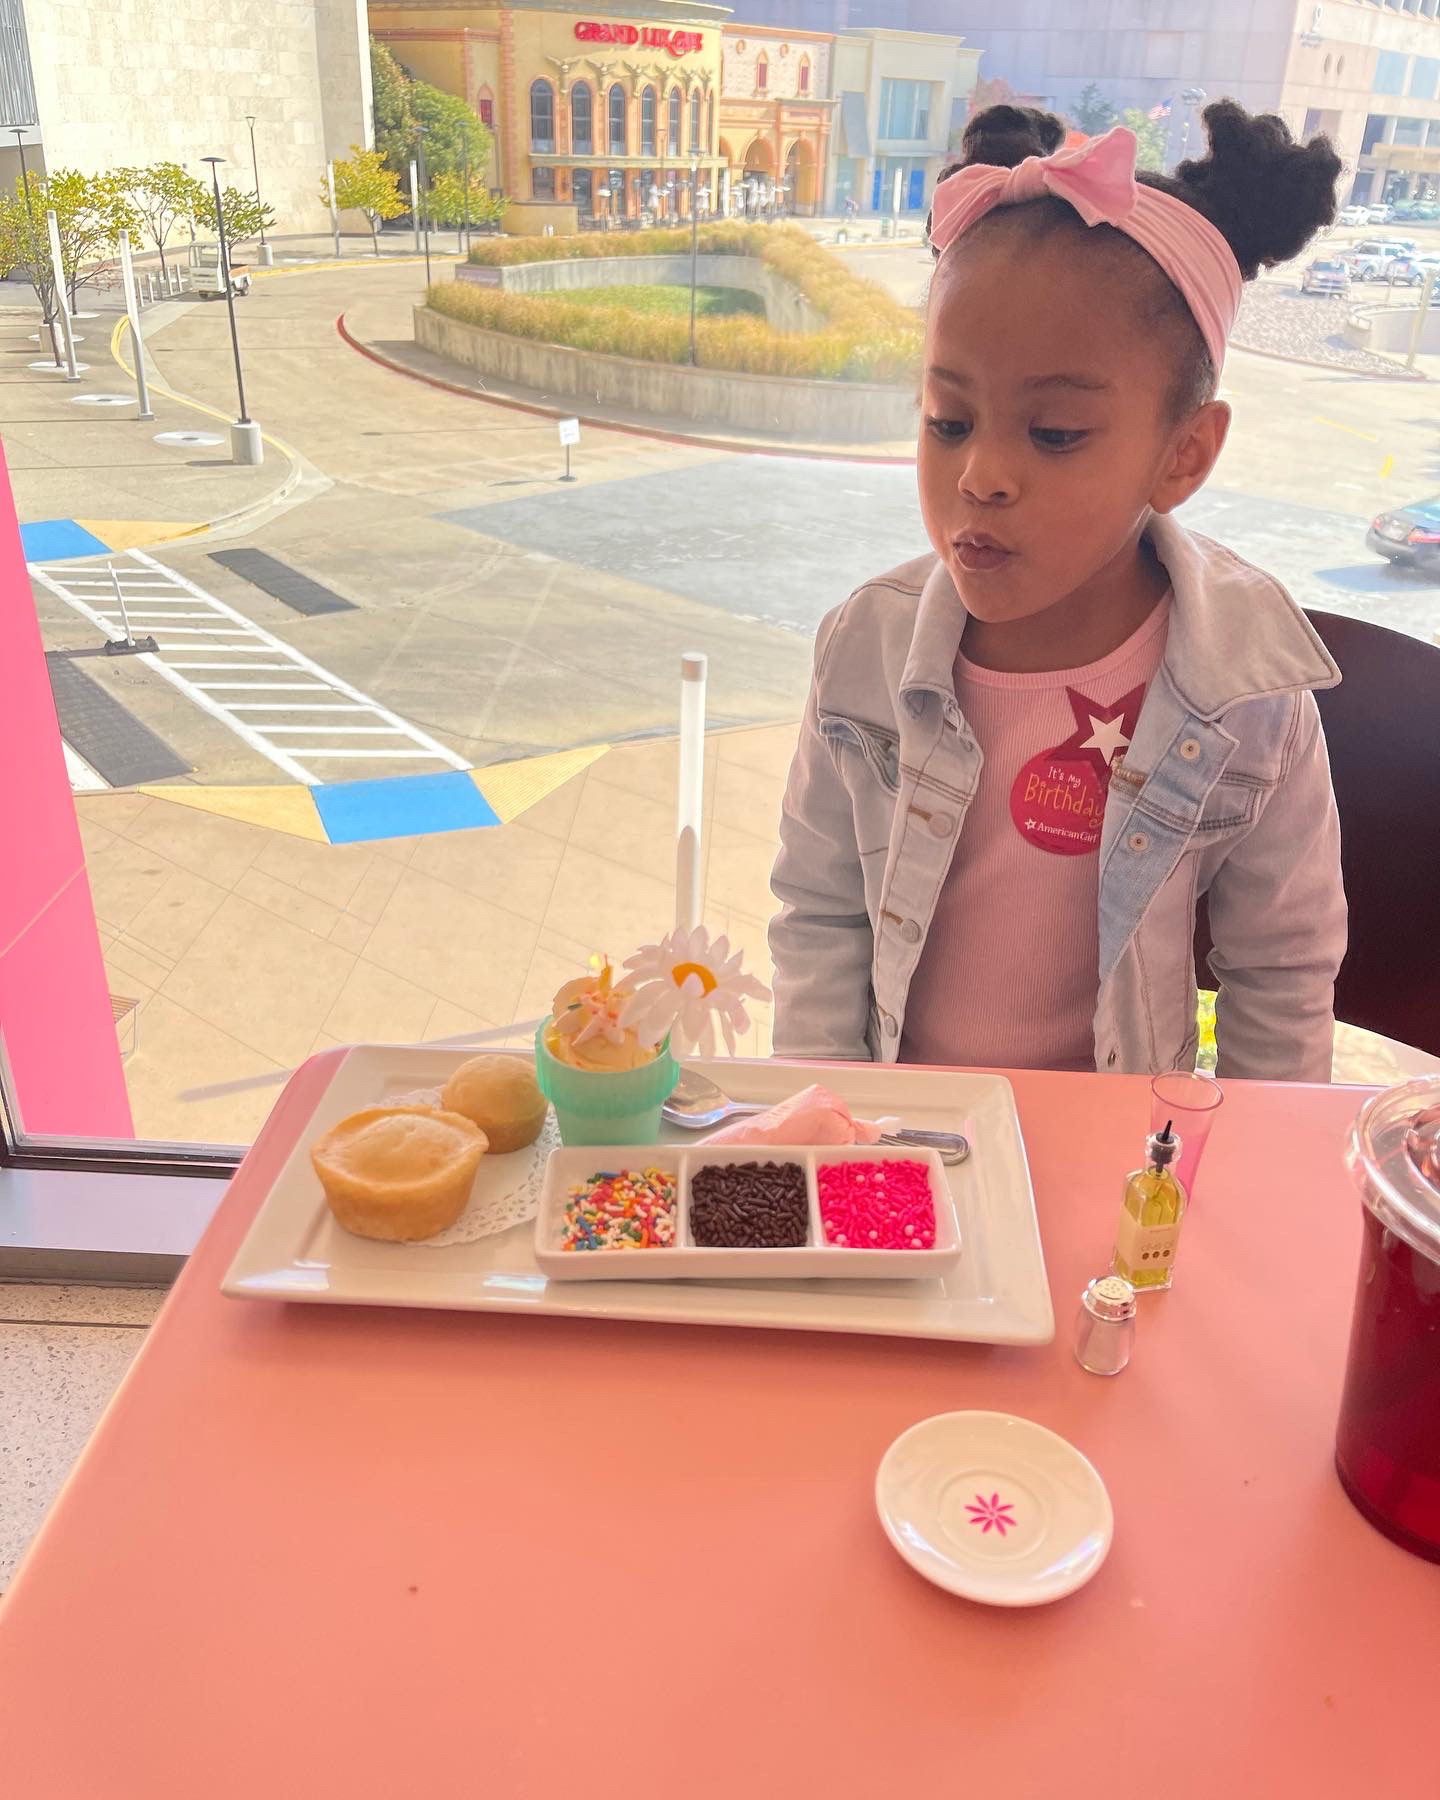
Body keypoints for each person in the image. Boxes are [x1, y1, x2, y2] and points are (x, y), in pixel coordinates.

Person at [769, 102, 1347, 1082]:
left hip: (1112, 1149)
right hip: (902, 1141)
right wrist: (831, 1134)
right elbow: (819, 918)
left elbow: (1281, 969)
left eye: (1055, 435)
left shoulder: (1251, 696)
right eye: (948, 421)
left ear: (1183, 453)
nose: (981, 475)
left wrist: (1245, 1173)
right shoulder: (864, 648)